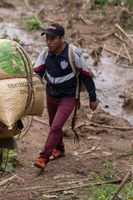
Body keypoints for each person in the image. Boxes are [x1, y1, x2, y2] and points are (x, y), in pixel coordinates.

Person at [33, 23, 98, 170]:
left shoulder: (73, 54)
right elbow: (37, 73)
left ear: (62, 38)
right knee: (53, 124)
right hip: (50, 94)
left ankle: (43, 157)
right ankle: (60, 148)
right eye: (47, 38)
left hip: (68, 96)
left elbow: (87, 76)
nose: (49, 42)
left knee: (56, 126)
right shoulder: (45, 53)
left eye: (53, 39)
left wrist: (92, 98)